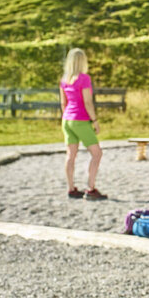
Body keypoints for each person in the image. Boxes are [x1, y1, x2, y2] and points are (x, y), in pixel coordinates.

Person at [59, 48, 106, 200]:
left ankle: (71, 188)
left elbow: (63, 103)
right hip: (80, 120)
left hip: (67, 120)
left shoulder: (64, 79)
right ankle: (91, 188)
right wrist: (95, 120)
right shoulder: (84, 78)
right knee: (97, 153)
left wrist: (67, 117)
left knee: (70, 155)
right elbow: (87, 102)